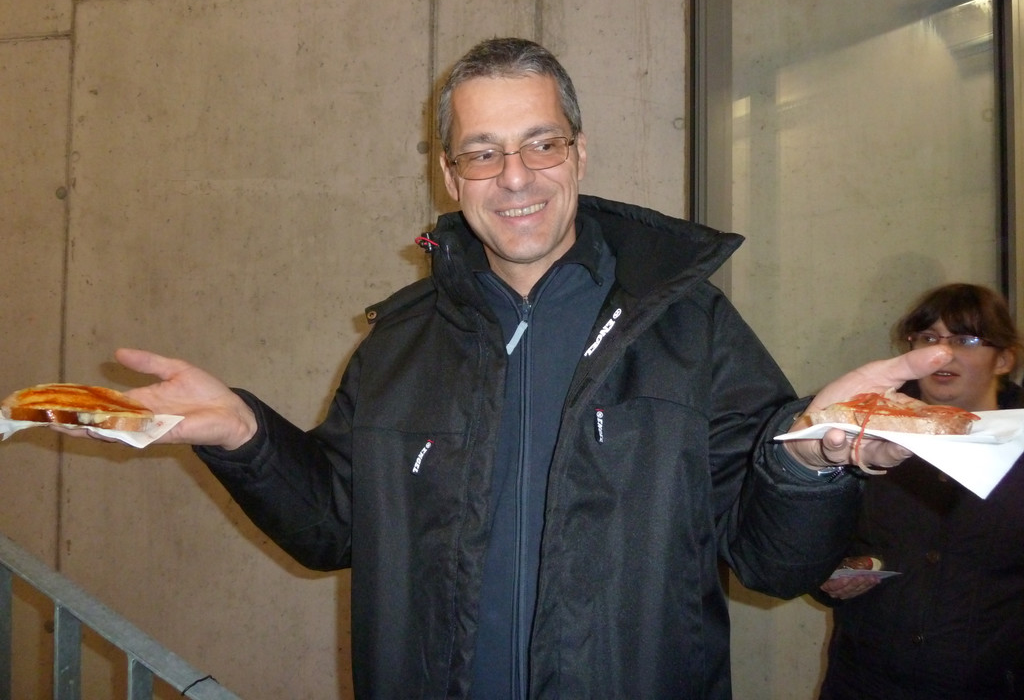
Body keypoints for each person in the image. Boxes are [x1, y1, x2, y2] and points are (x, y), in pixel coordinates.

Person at [70, 38, 953, 699]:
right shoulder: (399, 345)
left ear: (580, 153)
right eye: (483, 151)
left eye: (542, 144)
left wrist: (811, 460)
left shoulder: (691, 330)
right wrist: (244, 435)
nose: (516, 176)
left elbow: (771, 562)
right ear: (451, 175)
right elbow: (333, 526)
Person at [817, 283, 1024, 700]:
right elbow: (814, 537)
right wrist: (831, 572)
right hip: (864, 682)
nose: (942, 353)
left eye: (965, 339)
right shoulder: (865, 431)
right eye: (929, 338)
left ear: (1003, 358)